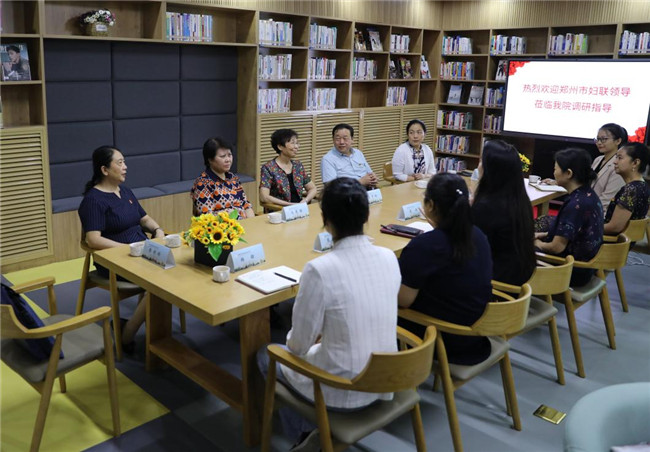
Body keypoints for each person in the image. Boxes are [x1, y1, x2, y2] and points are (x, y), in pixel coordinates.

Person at [257, 177, 400, 451]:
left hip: (341, 389)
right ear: (366, 215)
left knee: (266, 355)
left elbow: (297, 346)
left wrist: (316, 339)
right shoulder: (388, 257)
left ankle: (308, 435)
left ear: (325, 220)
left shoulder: (319, 269)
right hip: (387, 381)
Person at [398, 173, 493, 365]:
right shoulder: (478, 235)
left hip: (442, 338)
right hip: (477, 333)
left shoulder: (425, 246)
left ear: (430, 205)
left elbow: (403, 301)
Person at [78, 146, 165, 350]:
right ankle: (127, 335)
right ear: (105, 170)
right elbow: (93, 239)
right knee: (161, 282)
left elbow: (143, 218)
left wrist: (158, 230)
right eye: (119, 163)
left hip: (141, 252)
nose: (125, 167)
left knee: (174, 271)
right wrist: (127, 248)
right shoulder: (93, 200)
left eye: (124, 162)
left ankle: (154, 329)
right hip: (114, 261)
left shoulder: (125, 191)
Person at [535, 148, 604, 286]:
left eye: (555, 169)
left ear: (568, 173)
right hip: (585, 267)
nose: (553, 173)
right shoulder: (587, 194)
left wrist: (537, 244)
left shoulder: (576, 204)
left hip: (572, 271)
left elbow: (556, 247)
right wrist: (542, 235)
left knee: (515, 249)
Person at [472, 140, 536, 285]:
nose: (478, 166)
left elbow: (468, 250)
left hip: (496, 284)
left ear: (491, 170)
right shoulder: (519, 199)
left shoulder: (486, 207)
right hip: (519, 278)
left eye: (482, 161)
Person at [542, 123, 627, 213]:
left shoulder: (618, 166)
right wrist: (557, 182)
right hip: (586, 206)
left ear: (618, 141)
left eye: (604, 139)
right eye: (598, 139)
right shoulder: (598, 159)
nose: (599, 143)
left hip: (599, 213)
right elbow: (583, 184)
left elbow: (606, 200)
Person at [191, 137, 255, 219]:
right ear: (210, 160)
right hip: (222, 229)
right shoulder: (203, 184)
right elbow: (207, 217)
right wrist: (229, 214)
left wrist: (251, 222)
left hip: (242, 225)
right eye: (222, 156)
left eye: (229, 155)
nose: (228, 160)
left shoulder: (233, 178)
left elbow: (246, 205)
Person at [259, 129, 318, 206]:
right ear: (280, 147)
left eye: (297, 143)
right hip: (279, 210)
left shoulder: (298, 166)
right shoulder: (268, 168)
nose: (296, 146)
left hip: (300, 209)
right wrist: (289, 205)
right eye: (292, 143)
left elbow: (312, 188)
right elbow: (264, 197)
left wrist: (305, 200)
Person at [603, 142, 650, 235]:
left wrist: (586, 229)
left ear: (635, 163)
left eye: (619, 158)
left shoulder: (631, 190)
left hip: (611, 243)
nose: (615, 161)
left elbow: (614, 227)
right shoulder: (643, 185)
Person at [321, 123, 378, 189]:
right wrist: (360, 182)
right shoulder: (327, 159)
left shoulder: (358, 153)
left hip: (367, 191)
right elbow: (331, 187)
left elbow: (369, 173)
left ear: (352, 139)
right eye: (338, 138)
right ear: (333, 140)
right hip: (346, 196)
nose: (341, 142)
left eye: (345, 138)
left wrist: (373, 178)